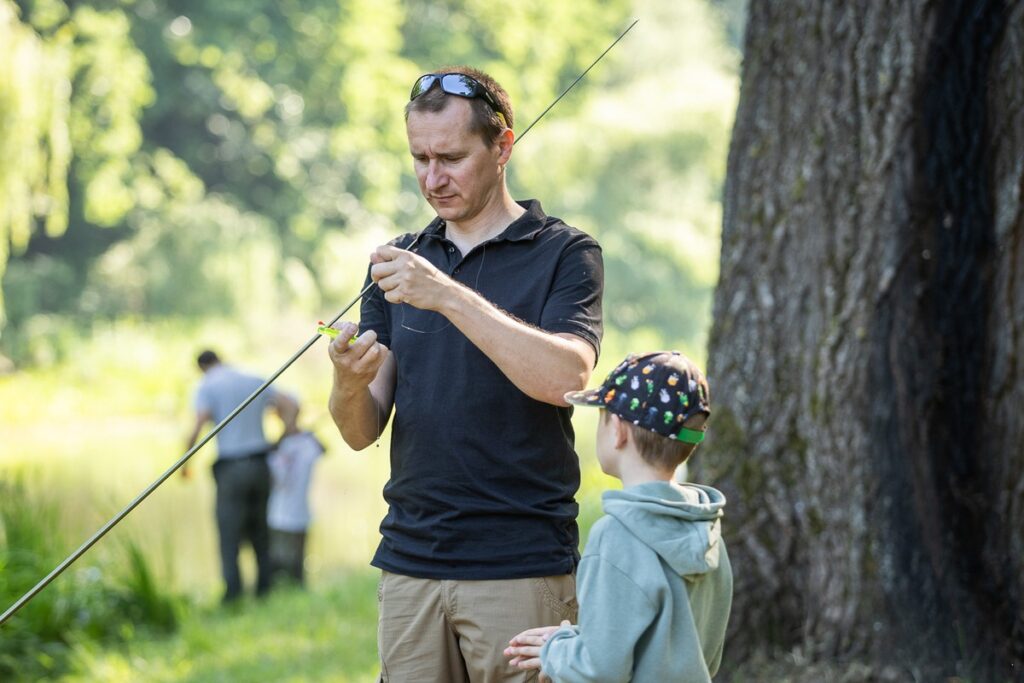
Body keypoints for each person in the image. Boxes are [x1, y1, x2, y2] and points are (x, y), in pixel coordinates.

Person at [326, 66, 604, 681]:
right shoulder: (399, 261)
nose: (433, 179)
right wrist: (347, 380)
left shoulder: (565, 252)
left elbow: (566, 378)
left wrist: (447, 295)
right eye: (419, 158)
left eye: (451, 158)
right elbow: (359, 430)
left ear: (502, 147)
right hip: (409, 563)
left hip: (521, 565)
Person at [504, 351, 733, 682]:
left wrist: (557, 652)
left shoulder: (616, 536)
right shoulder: (709, 532)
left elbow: (601, 670)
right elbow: (685, 651)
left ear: (618, 430)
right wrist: (580, 641)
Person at [184, 349, 299, 603]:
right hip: (260, 464)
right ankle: (264, 590)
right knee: (261, 530)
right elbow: (291, 405)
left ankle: (233, 594)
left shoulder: (206, 385)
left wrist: (185, 462)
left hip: (231, 467)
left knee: (229, 533)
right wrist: (281, 438)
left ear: (201, 366)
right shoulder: (253, 378)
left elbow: (199, 423)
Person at [266, 426, 326, 585]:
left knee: (297, 566)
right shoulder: (274, 447)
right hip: (277, 515)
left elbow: (324, 449)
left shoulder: (307, 442)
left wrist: (305, 434)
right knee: (276, 562)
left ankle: (296, 588)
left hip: (299, 515)